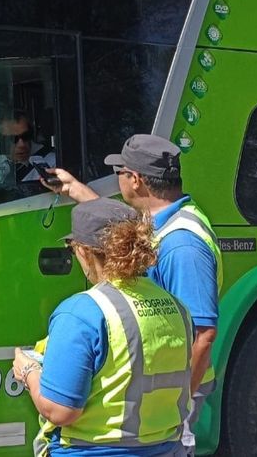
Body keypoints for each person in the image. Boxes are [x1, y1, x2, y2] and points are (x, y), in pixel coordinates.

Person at [44, 134, 221, 457]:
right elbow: (126, 237)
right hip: (150, 386)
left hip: (165, 393)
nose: (119, 180)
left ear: (136, 180)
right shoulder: (163, 224)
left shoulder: (182, 244)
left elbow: (203, 333)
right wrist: (78, 193)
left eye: (120, 173)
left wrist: (179, 409)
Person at [13, 198, 193, 457]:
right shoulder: (176, 307)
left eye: (72, 247)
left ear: (85, 251)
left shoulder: (80, 313)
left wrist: (28, 370)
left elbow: (60, 410)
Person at [0, 110, 56, 183]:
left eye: (26, 136)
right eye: (13, 138)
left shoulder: (52, 162)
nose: (22, 144)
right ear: (1, 140)